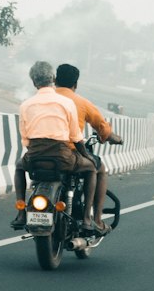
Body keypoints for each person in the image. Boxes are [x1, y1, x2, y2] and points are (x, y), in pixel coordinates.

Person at [10, 60, 100, 233]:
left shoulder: (25, 105)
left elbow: (26, 140)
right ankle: (87, 219)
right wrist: (87, 157)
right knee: (90, 169)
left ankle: (21, 214)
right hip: (62, 158)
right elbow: (75, 136)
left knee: (19, 167)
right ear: (52, 78)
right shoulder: (66, 103)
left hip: (34, 158)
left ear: (33, 82)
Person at [54, 62, 124, 234]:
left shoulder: (43, 99)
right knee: (98, 168)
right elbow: (102, 127)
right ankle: (94, 219)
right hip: (69, 153)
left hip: (39, 153)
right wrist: (113, 138)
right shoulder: (81, 102)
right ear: (75, 84)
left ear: (55, 80)